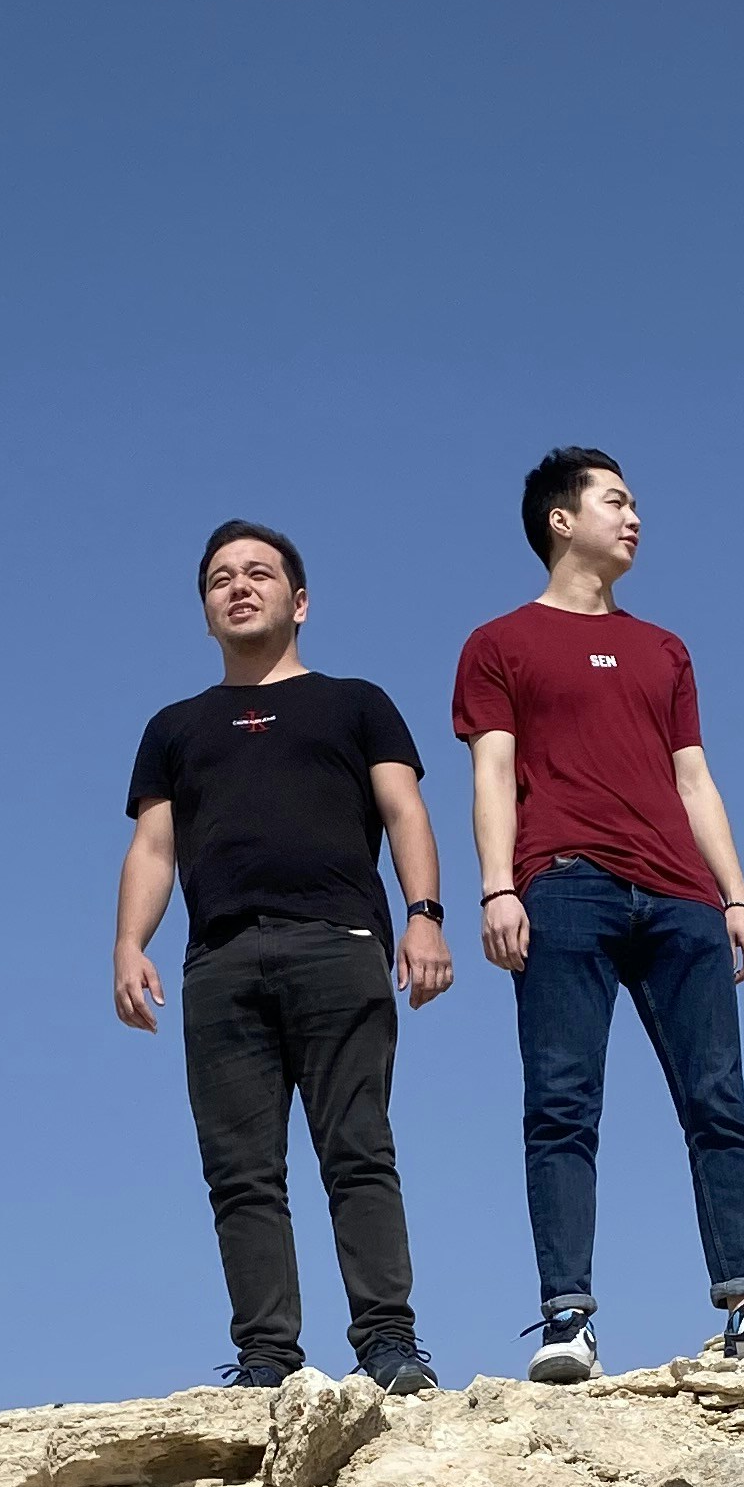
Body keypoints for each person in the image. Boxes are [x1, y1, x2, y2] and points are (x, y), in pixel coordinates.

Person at [453, 447, 744, 1384]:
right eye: (615, 501)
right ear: (559, 519)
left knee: (718, 1099)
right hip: (564, 886)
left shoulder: (665, 648)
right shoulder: (498, 643)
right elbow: (491, 772)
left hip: (680, 897)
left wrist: (736, 893)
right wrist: (497, 886)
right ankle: (567, 1322)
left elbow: (693, 779)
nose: (633, 518)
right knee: (562, 1105)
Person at [117, 520, 451, 1391]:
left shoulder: (355, 702)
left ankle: (388, 1345)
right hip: (218, 964)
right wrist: (128, 943)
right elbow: (156, 847)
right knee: (240, 1174)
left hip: (337, 946)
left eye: (259, 573)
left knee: (358, 1151)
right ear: (205, 611)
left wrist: (424, 917)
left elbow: (406, 811)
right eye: (221, 578)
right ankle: (267, 1359)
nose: (240, 586)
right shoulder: (175, 726)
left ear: (298, 601)